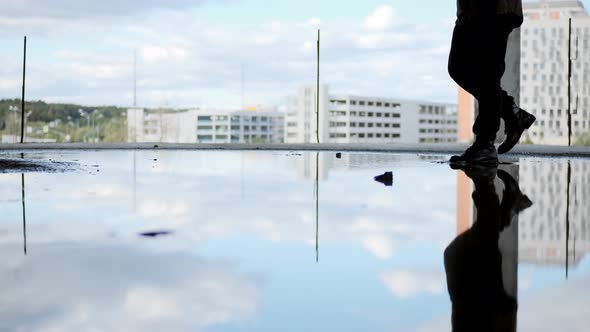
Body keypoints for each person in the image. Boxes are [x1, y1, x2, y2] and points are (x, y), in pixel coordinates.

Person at [444, 165, 533, 331]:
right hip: (480, 299)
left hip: (474, 298)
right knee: (472, 247)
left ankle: (507, 206)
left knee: (468, 247)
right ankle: (483, 174)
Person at [449, 0, 536, 166]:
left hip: (492, 8)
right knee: (462, 68)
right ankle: (511, 114)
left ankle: (485, 144)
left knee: (484, 72)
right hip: (475, 9)